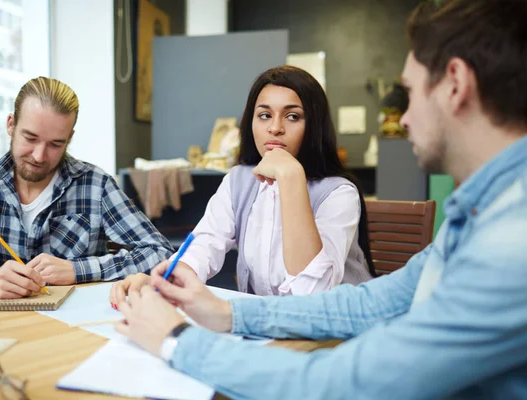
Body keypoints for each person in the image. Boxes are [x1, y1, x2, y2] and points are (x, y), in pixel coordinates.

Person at [112, 0, 527, 398]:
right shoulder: (480, 214)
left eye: (409, 93)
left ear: (455, 84)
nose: (402, 118)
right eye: (264, 114)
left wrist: (174, 340)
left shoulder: (509, 244)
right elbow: (371, 304)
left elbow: (341, 386)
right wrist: (230, 313)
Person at [110, 66, 376, 305]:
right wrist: (164, 283)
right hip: (265, 326)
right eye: (264, 115)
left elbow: (313, 296)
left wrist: (290, 176)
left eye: (293, 116)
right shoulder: (239, 180)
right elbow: (205, 243)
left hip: (334, 331)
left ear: (314, 126)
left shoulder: (339, 193)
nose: (275, 128)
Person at [0, 77, 173, 300]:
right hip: (8, 321)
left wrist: (77, 270)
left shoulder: (95, 184)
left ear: (69, 138)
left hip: (78, 322)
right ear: (11, 125)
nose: (39, 156)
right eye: (30, 138)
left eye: (55, 144)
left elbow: (160, 252)